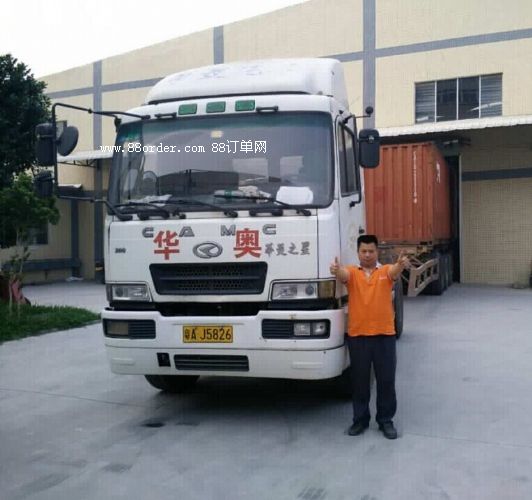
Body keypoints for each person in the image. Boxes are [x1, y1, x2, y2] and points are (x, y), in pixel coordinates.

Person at [330, 234, 410, 439]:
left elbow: (394, 271)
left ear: (377, 252)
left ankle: (385, 420)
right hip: (358, 336)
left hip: (384, 336)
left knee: (386, 381)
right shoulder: (352, 272)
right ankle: (360, 420)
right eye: (363, 251)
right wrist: (336, 270)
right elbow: (342, 275)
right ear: (358, 253)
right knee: (360, 382)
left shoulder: (385, 271)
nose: (367, 255)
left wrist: (400, 265)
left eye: (371, 251)